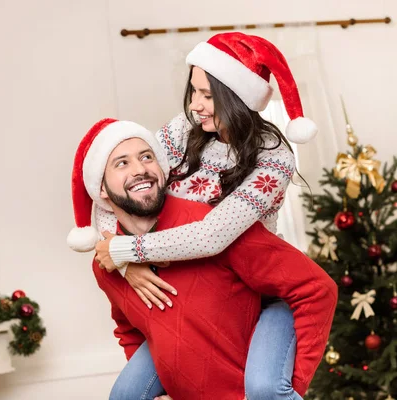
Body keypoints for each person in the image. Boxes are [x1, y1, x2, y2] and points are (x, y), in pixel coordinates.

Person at [68, 32, 320, 399]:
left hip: (258, 292)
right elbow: (113, 196)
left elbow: (211, 235)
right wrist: (125, 261)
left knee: (266, 389)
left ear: (237, 97)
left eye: (207, 95)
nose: (196, 105)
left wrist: (128, 251)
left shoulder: (274, 157)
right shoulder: (181, 131)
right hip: (192, 293)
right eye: (193, 91)